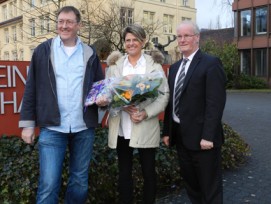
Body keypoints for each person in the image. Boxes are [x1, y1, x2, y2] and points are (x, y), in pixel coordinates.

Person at [19, 6, 104, 204]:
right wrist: (28, 124)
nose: (64, 26)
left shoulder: (90, 53)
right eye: (60, 22)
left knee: (79, 181)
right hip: (52, 127)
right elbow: (31, 87)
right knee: (48, 183)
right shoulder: (43, 50)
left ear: (79, 25)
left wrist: (103, 98)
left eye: (69, 22)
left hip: (83, 127)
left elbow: (99, 86)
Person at [99, 24, 169, 204]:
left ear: (143, 41)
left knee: (148, 172)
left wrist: (146, 113)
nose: (131, 44)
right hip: (122, 126)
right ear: (124, 43)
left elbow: (164, 95)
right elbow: (107, 93)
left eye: (135, 40)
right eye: (127, 40)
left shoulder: (153, 65)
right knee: (124, 173)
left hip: (144, 124)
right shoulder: (115, 66)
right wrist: (118, 104)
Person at [162, 20, 226, 204]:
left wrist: (208, 136)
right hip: (181, 138)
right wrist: (167, 131)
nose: (182, 40)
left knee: (210, 189)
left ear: (197, 37)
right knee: (192, 187)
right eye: (179, 36)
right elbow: (171, 101)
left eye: (186, 36)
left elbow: (215, 104)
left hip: (203, 141)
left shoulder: (211, 63)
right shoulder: (174, 68)